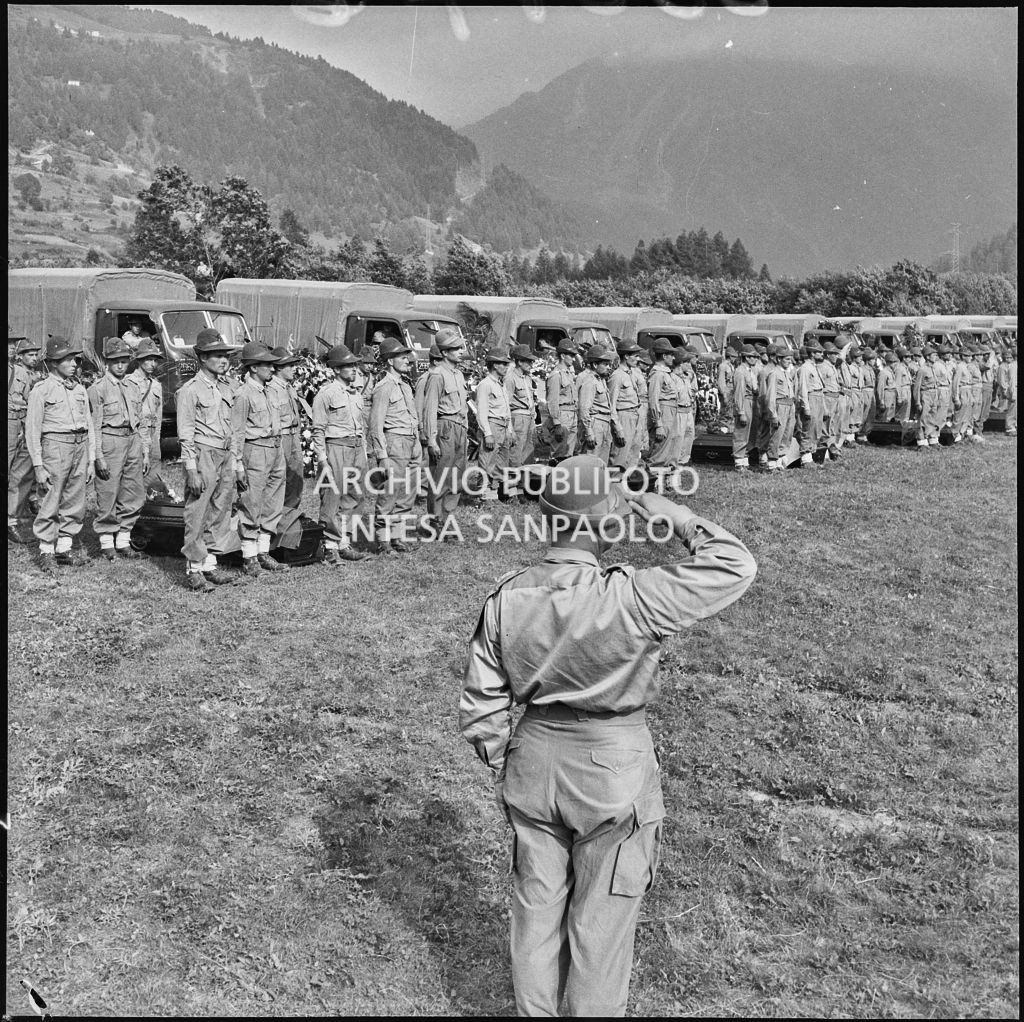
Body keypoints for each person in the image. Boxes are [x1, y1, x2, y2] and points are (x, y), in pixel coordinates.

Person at [460, 454, 757, 1017]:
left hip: (533, 758)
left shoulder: (507, 596)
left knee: (535, 914)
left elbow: (483, 701)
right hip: (613, 764)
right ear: (604, 524)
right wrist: (675, 516)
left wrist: (504, 759)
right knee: (601, 923)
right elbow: (734, 564)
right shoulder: (633, 595)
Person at [176, 328, 243, 592]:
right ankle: (193, 568)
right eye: (217, 356)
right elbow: (185, 432)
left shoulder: (228, 387)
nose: (224, 361)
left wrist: (235, 462)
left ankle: (209, 564)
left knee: (220, 509)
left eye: (226, 356)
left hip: (224, 453)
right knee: (198, 510)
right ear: (203, 358)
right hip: (203, 453)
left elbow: (233, 428)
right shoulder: (190, 390)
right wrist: (191, 469)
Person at [24, 335, 97, 573]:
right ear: (54, 363)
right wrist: (38, 465)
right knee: (50, 497)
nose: (74, 364)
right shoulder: (41, 390)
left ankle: (64, 548)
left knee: (75, 498)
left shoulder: (79, 389)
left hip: (79, 445)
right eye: (68, 360)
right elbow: (32, 430)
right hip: (55, 446)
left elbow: (89, 425)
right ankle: (46, 550)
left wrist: (91, 459)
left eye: (74, 359)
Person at [232, 343, 288, 577]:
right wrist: (237, 464)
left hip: (275, 448)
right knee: (251, 502)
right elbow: (237, 432)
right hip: (254, 450)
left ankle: (263, 552)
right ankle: (249, 557)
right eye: (266, 364)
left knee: (273, 501)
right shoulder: (243, 394)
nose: (272, 369)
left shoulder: (271, 391)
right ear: (253, 367)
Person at [88, 337, 147, 561]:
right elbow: (94, 426)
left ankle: (123, 540)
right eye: (115, 361)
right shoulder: (97, 389)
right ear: (107, 362)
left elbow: (140, 420)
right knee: (108, 490)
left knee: (133, 490)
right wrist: (98, 457)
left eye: (124, 361)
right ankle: (106, 543)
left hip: (132, 439)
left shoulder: (133, 387)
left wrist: (144, 449)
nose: (120, 366)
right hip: (110, 440)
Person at [311, 345, 370, 564]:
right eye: (348, 365)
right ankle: (329, 546)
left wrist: (363, 452)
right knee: (332, 496)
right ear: (336, 369)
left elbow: (361, 426)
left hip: (356, 447)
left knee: (354, 496)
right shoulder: (326, 394)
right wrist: (322, 459)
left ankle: (343, 542)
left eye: (354, 365)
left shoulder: (356, 394)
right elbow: (318, 428)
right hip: (336, 446)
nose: (353, 369)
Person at [370, 336, 422, 552]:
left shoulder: (405, 385)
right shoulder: (383, 387)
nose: (407, 360)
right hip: (394, 442)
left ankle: (397, 537)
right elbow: (376, 425)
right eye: (402, 357)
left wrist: (417, 443)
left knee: (407, 492)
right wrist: (382, 456)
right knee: (390, 492)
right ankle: (383, 540)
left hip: (411, 441)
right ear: (390, 361)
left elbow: (412, 416)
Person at [421, 327, 469, 535]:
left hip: (460, 428)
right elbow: (430, 409)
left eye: (460, 347)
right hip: (445, 428)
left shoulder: (458, 374)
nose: (460, 351)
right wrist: (431, 440)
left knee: (456, 477)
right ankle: (435, 520)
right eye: (455, 349)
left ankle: (448, 519)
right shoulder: (437, 375)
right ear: (444, 352)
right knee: (440, 476)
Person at [8, 331, 41, 543]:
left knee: (20, 473)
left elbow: (28, 400)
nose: (12, 347)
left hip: (20, 423)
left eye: (13, 343)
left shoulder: (19, 371)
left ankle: (12, 519)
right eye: (8, 343)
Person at [123, 337, 164, 491]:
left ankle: (151, 503)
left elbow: (158, 415)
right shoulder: (128, 382)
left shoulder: (156, 385)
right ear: (139, 360)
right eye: (148, 359)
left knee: (153, 474)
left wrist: (157, 437)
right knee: (136, 473)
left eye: (155, 360)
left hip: (152, 433)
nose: (153, 364)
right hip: (137, 433)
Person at [268, 347, 306, 513]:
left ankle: (290, 515)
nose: (293, 369)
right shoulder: (271, 388)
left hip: (293, 436)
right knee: (279, 479)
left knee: (296, 478)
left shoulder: (289, 388)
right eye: (289, 366)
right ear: (278, 368)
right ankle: (276, 516)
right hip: (281, 437)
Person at [475, 348, 513, 499]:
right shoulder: (485, 384)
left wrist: (510, 430)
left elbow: (507, 410)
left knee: (501, 462)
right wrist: (487, 433)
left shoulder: (500, 384)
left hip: (503, 425)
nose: (506, 367)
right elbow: (482, 412)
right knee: (487, 461)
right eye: (503, 364)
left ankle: (494, 493)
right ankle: (482, 495)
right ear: (495, 365)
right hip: (492, 425)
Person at [608, 340, 646, 471]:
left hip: (634, 415)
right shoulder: (617, 376)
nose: (638, 359)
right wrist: (618, 428)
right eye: (635, 356)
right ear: (626, 356)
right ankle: (616, 482)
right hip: (623, 416)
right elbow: (611, 405)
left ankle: (628, 481)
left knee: (633, 454)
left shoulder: (632, 374)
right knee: (620, 456)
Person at [575, 345, 615, 464]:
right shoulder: (589, 381)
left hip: (605, 423)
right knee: (590, 462)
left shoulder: (601, 380)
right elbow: (584, 408)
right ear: (595, 365)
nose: (608, 367)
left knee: (602, 462)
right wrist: (589, 431)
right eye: (605, 364)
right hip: (595, 424)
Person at [505, 344, 539, 482]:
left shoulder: (527, 378)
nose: (531, 364)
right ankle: (513, 484)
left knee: (528, 452)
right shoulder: (510, 378)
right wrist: (509, 427)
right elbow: (506, 404)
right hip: (517, 417)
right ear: (519, 361)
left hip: (529, 417)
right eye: (528, 361)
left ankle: (524, 483)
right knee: (516, 453)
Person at [647, 338, 680, 470]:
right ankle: (653, 477)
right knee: (659, 450)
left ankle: (664, 476)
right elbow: (653, 400)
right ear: (664, 356)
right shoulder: (657, 374)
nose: (673, 357)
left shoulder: (665, 372)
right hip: (663, 412)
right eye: (671, 354)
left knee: (669, 447)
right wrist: (658, 424)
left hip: (670, 411)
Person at [544, 339, 579, 462]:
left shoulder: (568, 374)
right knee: (559, 454)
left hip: (572, 414)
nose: (573, 359)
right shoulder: (556, 375)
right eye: (571, 355)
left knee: (569, 455)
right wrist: (556, 423)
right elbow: (552, 401)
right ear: (563, 356)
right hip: (562, 416)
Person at [764, 345, 797, 472]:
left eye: (790, 359)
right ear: (779, 359)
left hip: (789, 405)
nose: (789, 362)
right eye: (787, 359)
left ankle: (780, 461)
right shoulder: (774, 374)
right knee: (776, 435)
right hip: (780, 405)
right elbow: (770, 396)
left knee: (787, 434)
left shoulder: (787, 374)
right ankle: (771, 463)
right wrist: (773, 414)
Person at [795, 341, 826, 469]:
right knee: (807, 428)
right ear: (812, 353)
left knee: (815, 428)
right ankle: (805, 458)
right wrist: (806, 407)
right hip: (811, 397)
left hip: (818, 396)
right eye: (819, 352)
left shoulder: (814, 367)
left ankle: (811, 456)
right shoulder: (805, 368)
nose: (821, 354)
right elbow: (803, 388)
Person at [731, 344, 760, 472]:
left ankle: (745, 461)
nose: (755, 359)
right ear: (746, 357)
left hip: (752, 402)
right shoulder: (740, 371)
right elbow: (739, 393)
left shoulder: (750, 370)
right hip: (745, 402)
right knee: (741, 432)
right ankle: (739, 462)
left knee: (750, 433)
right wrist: (741, 412)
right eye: (753, 357)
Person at [912, 345, 942, 451]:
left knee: (932, 417)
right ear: (927, 357)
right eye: (933, 355)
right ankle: (922, 442)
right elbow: (917, 387)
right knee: (923, 418)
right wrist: (917, 402)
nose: (935, 357)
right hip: (925, 394)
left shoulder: (932, 368)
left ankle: (932, 440)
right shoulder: (922, 370)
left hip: (934, 394)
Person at [673, 347, 698, 467]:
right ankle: (675, 463)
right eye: (686, 362)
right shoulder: (673, 377)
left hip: (688, 410)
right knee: (678, 438)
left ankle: (683, 461)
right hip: (678, 411)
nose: (689, 364)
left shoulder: (687, 376)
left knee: (689, 436)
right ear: (680, 363)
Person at [993, 346, 1017, 437]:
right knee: (1010, 408)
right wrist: (1005, 390)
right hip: (1008, 389)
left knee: (1014, 408)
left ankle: (1014, 425)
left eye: (1010, 357)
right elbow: (1001, 380)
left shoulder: (1013, 365)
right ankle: (1009, 427)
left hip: (1013, 387)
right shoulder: (1002, 367)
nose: (1008, 359)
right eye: (1007, 357)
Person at [717, 346, 738, 419]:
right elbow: (721, 382)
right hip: (726, 393)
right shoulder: (723, 366)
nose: (735, 358)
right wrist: (724, 395)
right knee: (725, 414)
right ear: (730, 356)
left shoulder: (731, 366)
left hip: (731, 392)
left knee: (730, 413)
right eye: (734, 356)